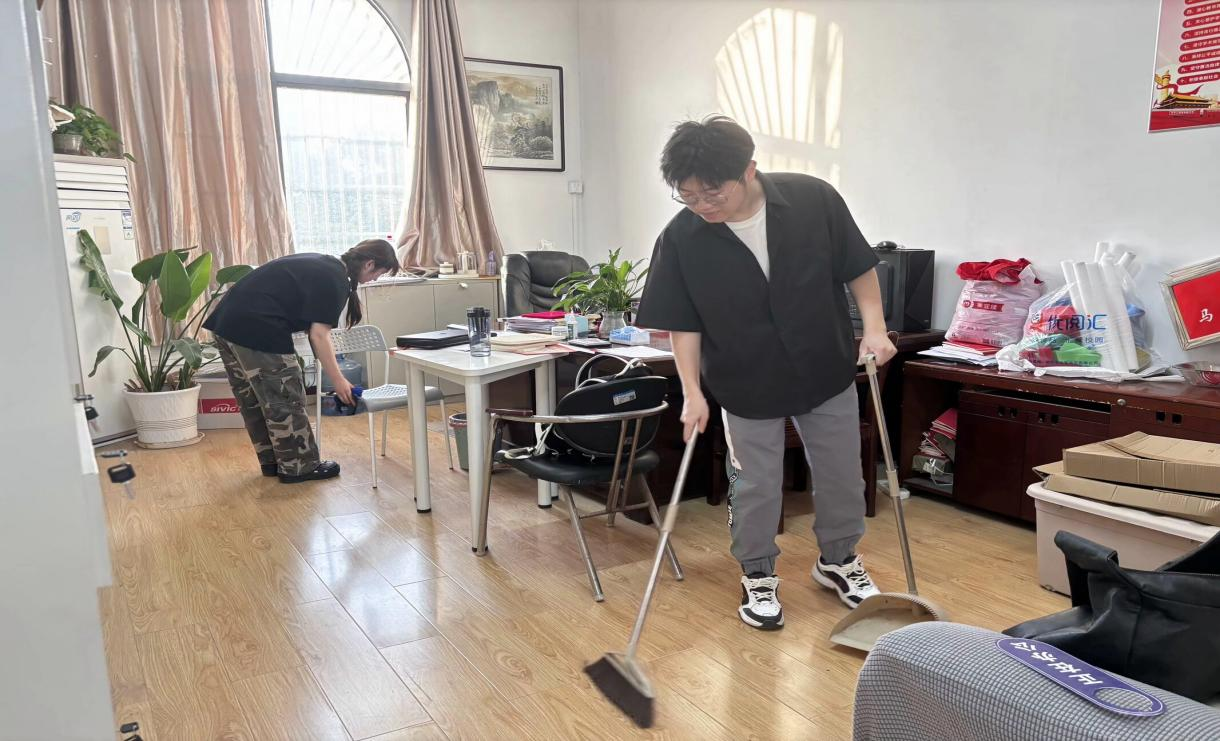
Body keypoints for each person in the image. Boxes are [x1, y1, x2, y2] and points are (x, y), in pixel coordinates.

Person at [635, 115, 897, 630]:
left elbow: (857, 267)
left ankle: (838, 560)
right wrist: (692, 392)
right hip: (745, 376)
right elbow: (683, 325)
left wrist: (875, 329)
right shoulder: (682, 237)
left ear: (749, 170)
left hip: (822, 365)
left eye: (713, 192)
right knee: (755, 484)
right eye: (688, 196)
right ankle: (757, 572)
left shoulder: (813, 200)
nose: (703, 205)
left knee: (843, 474)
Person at [203, 239, 399, 483]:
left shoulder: (324, 264)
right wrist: (338, 380)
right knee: (285, 398)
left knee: (253, 401)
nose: (375, 279)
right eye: (379, 273)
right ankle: (300, 467)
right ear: (369, 264)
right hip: (258, 327)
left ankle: (273, 462)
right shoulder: (335, 279)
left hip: (226, 323)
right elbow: (319, 335)